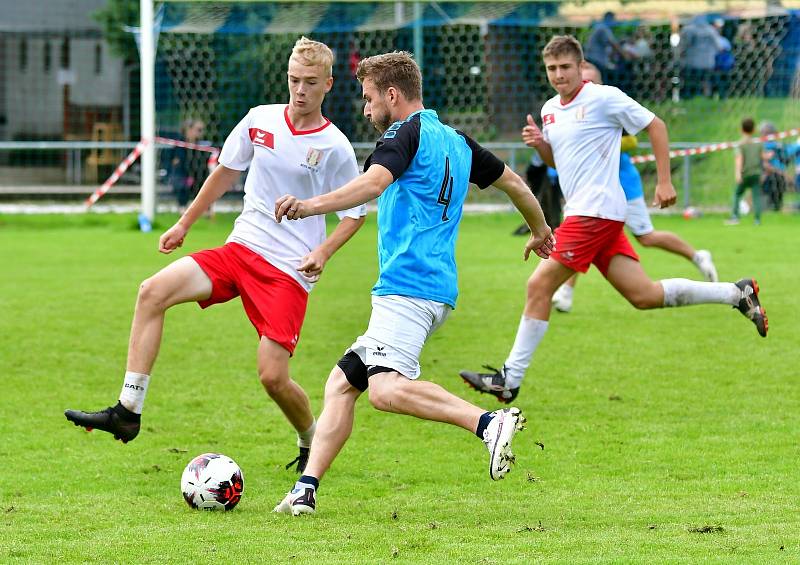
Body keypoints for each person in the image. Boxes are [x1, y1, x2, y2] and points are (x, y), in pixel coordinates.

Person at [271, 51, 555, 516]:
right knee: (344, 382)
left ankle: (487, 422)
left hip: (408, 287)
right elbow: (518, 187)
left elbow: (370, 186)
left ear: (392, 95)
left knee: (384, 391)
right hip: (435, 288)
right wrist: (541, 231)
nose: (365, 110)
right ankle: (306, 489)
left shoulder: (403, 132)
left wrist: (307, 206)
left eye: (367, 99)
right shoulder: (458, 141)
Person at [64, 37, 367, 474]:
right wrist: (184, 224)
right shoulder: (259, 121)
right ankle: (128, 410)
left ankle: (309, 436)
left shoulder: (336, 146)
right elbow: (225, 173)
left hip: (288, 271)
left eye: (310, 83)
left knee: (272, 377)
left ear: (328, 85)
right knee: (152, 291)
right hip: (241, 249)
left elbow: (354, 214)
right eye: (293, 80)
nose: (299, 90)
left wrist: (323, 251)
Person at [459, 35, 768, 404]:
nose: (559, 75)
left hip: (595, 212)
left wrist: (666, 180)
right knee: (643, 295)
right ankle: (736, 293)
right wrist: (541, 145)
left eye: (565, 67)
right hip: (590, 213)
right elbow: (562, 163)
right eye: (552, 69)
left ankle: (509, 379)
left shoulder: (604, 97)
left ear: (579, 66)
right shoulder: (549, 110)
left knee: (538, 287)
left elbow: (657, 125)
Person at [551, 62, 718, 314]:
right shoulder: (563, 112)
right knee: (578, 234)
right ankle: (565, 292)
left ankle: (697, 256)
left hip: (623, 186)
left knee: (646, 237)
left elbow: (640, 134)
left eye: (590, 81)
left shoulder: (608, 105)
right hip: (591, 196)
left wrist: (663, 181)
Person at [726, 117, 763, 225]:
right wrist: (768, 156)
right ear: (754, 129)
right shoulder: (758, 143)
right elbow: (762, 157)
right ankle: (757, 220)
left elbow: (739, 159)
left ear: (741, 129)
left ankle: (735, 216)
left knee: (737, 194)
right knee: (756, 196)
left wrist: (738, 174)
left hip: (745, 174)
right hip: (756, 173)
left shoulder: (740, 144)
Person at [679, 14, 724, 98]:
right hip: (708, 63)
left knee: (690, 82)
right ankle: (707, 96)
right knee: (706, 81)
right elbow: (719, 47)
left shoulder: (687, 30)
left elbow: (683, 47)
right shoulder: (711, 30)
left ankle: (689, 97)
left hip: (691, 63)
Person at [167, 118, 207, 213]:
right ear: (189, 130)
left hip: (196, 175)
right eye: (199, 130)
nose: (201, 133)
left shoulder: (201, 145)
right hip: (182, 174)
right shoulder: (179, 144)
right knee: (182, 184)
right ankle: (182, 208)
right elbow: (174, 161)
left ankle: (203, 209)